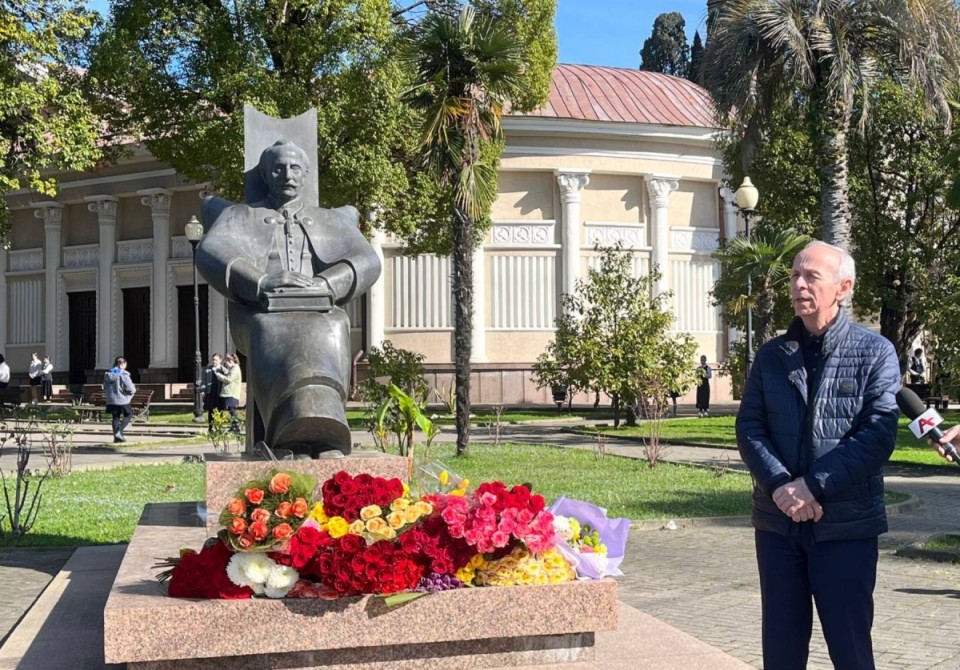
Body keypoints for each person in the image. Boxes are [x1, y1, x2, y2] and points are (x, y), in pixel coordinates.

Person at [736, 240, 900, 670]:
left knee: (850, 650)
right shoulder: (772, 356)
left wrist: (811, 485)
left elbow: (877, 437)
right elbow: (750, 428)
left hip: (845, 527)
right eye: (794, 275)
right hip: (778, 525)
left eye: (811, 276)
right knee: (782, 649)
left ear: (843, 287)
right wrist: (780, 488)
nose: (799, 284)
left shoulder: (874, 352)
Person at [196, 139, 380, 457]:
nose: (287, 175)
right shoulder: (239, 216)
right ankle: (287, 431)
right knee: (272, 330)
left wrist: (324, 283)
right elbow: (211, 252)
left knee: (335, 324)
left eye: (295, 168)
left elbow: (368, 260)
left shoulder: (331, 219)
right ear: (266, 174)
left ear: (306, 173)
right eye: (278, 168)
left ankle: (327, 426)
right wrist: (263, 281)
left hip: (320, 305)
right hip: (258, 310)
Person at [104, 357, 136, 443]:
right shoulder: (123, 374)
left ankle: (117, 438)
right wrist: (132, 392)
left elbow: (105, 387)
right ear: (122, 364)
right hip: (123, 399)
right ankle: (119, 432)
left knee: (115, 418)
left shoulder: (108, 374)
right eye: (125, 364)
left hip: (111, 399)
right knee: (129, 415)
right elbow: (129, 388)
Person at [215, 354, 242, 430]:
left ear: (230, 361)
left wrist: (219, 375)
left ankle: (236, 425)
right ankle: (234, 425)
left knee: (231, 409)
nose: (225, 364)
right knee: (230, 409)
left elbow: (229, 379)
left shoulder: (235, 368)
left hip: (232, 393)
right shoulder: (232, 368)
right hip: (229, 393)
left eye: (226, 362)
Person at [202, 353, 224, 432]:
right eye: (213, 359)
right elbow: (203, 380)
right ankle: (211, 427)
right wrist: (203, 390)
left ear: (220, 360)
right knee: (210, 410)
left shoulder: (223, 369)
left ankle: (219, 427)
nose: (214, 361)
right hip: (210, 393)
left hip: (219, 393)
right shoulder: (207, 369)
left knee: (219, 410)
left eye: (216, 360)